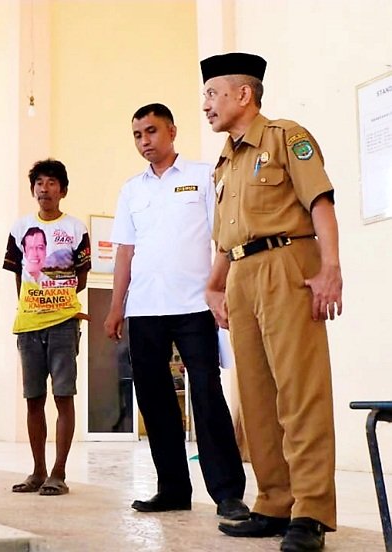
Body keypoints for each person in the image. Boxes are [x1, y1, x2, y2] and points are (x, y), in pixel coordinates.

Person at [201, 53, 341, 551]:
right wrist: (215, 284)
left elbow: (319, 202)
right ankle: (275, 502)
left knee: (300, 391)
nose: (206, 105)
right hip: (241, 275)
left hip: (287, 264)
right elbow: (226, 237)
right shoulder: (224, 163)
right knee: (256, 396)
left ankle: (311, 510)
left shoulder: (286, 137)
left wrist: (330, 268)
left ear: (243, 94)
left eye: (212, 93)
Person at [103, 103, 249, 520]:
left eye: (151, 131)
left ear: (172, 131)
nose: (144, 141)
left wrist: (219, 290)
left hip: (194, 306)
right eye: (137, 135)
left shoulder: (203, 176)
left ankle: (227, 494)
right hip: (144, 308)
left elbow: (223, 239)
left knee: (206, 394)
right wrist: (116, 308)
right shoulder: (132, 189)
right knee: (154, 400)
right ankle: (172, 488)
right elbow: (125, 252)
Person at [3, 159, 90, 497]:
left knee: (63, 396)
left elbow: (82, 276)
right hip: (28, 325)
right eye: (39, 182)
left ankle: (59, 472)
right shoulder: (20, 228)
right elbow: (17, 274)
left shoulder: (76, 228)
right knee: (33, 399)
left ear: (63, 190)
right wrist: (31, 304)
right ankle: (38, 471)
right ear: (33, 189)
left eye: (52, 182)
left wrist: (59, 299)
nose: (45, 188)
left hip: (64, 324)